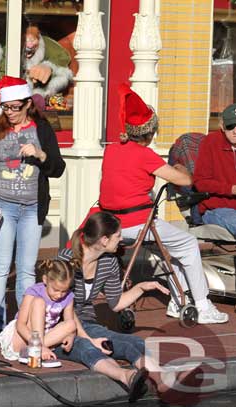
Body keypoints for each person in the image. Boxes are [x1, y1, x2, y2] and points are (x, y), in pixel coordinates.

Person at [99, 84, 228, 324]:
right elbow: (186, 180)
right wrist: (179, 167)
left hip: (109, 224)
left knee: (170, 249)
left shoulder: (112, 151)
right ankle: (202, 305)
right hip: (137, 224)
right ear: (150, 133)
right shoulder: (145, 155)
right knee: (188, 243)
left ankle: (177, 300)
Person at [0, 76, 65, 334]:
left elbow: (57, 168)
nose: (10, 113)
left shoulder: (42, 129)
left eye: (15, 107)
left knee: (25, 269)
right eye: (6, 107)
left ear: (27, 104)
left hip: (32, 208)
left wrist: (41, 154)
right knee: (0, 267)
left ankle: (24, 325)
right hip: (3, 206)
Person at [56, 211, 170, 402]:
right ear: (104, 240)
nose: (121, 240)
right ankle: (128, 378)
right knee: (86, 347)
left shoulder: (108, 262)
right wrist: (88, 338)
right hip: (61, 326)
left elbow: (116, 303)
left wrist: (141, 287)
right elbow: (63, 305)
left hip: (87, 323)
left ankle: (160, 380)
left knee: (133, 343)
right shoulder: (67, 259)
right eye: (118, 236)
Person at [0, 258, 77, 362]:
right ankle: (38, 348)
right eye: (56, 290)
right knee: (39, 302)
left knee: (71, 324)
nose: (59, 295)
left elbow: (69, 321)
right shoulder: (33, 292)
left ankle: (34, 350)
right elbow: (20, 325)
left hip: (44, 337)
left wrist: (71, 336)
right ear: (45, 280)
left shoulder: (68, 297)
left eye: (64, 291)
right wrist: (39, 345)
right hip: (23, 336)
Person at [193, 102, 236, 237]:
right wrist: (231, 189)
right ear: (222, 126)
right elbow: (200, 182)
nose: (235, 131)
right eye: (231, 126)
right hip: (217, 208)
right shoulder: (211, 142)